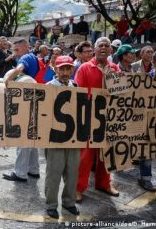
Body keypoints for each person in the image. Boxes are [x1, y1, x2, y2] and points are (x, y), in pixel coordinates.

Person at [75, 37, 120, 202]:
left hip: (109, 118)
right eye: (100, 45)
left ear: (110, 51)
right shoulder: (85, 68)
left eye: (106, 46)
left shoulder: (115, 68)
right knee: (85, 157)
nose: (103, 48)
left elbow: (121, 94)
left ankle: (104, 183)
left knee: (107, 154)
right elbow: (78, 94)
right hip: (89, 118)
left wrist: (113, 79)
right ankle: (77, 188)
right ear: (94, 49)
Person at [45, 56, 80, 219]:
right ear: (55, 69)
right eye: (62, 69)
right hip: (54, 138)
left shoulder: (76, 86)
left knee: (72, 171)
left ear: (72, 70)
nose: (65, 72)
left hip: (73, 138)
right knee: (54, 172)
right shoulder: (47, 87)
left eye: (68, 68)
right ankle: (51, 204)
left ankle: (69, 202)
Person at [2, 39, 42, 182]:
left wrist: (6, 83)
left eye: (17, 50)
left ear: (26, 47)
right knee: (32, 136)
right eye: (14, 50)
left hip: (27, 99)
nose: (15, 53)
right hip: (36, 98)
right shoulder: (34, 58)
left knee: (22, 136)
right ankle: (33, 169)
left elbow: (18, 69)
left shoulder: (26, 58)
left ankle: (20, 173)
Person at [137, 50, 156, 192]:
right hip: (149, 120)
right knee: (146, 148)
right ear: (154, 62)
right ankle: (145, 178)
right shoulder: (146, 79)